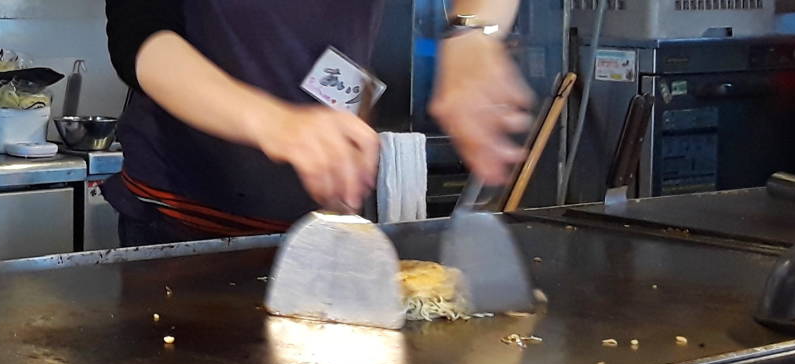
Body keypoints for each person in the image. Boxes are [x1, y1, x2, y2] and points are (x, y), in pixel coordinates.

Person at [104, 0, 532, 245]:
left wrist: (474, 32)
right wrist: (273, 123)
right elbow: (140, 36)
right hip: (186, 217)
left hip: (329, 205)